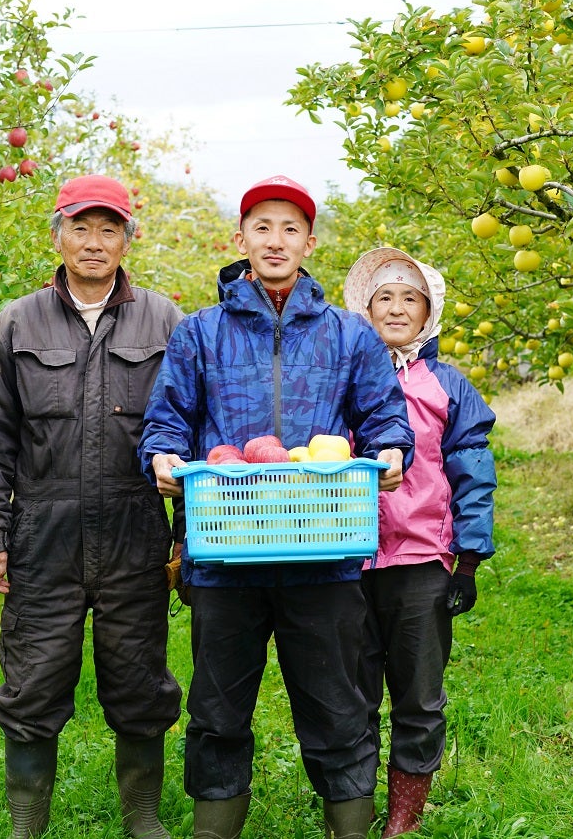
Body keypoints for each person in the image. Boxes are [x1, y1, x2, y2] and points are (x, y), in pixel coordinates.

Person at [139, 175, 416, 839]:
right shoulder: (200, 334)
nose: (275, 240)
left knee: (338, 708)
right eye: (262, 227)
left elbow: (384, 416)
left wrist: (391, 451)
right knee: (217, 711)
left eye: (290, 229)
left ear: (309, 243)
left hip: (323, 548)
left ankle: (349, 828)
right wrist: (163, 457)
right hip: (226, 551)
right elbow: (168, 419)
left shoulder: (349, 335)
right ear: (240, 239)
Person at [0, 174, 184, 839]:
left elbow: (191, 434)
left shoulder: (165, 321)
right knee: (32, 683)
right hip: (43, 534)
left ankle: (142, 816)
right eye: (81, 228)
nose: (94, 242)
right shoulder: (16, 323)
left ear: (127, 241)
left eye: (108, 229)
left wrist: (187, 535)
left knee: (140, 681)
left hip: (135, 531)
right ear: (57, 236)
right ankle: (27, 822)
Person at [342, 248, 497, 838]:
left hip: (420, 557)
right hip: (345, 554)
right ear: (366, 309)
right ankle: (351, 810)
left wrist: (469, 559)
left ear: (429, 312)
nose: (397, 308)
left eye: (411, 298)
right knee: (349, 695)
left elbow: (472, 470)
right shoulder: (343, 375)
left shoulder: (447, 383)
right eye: (384, 297)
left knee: (418, 695)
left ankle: (402, 817)